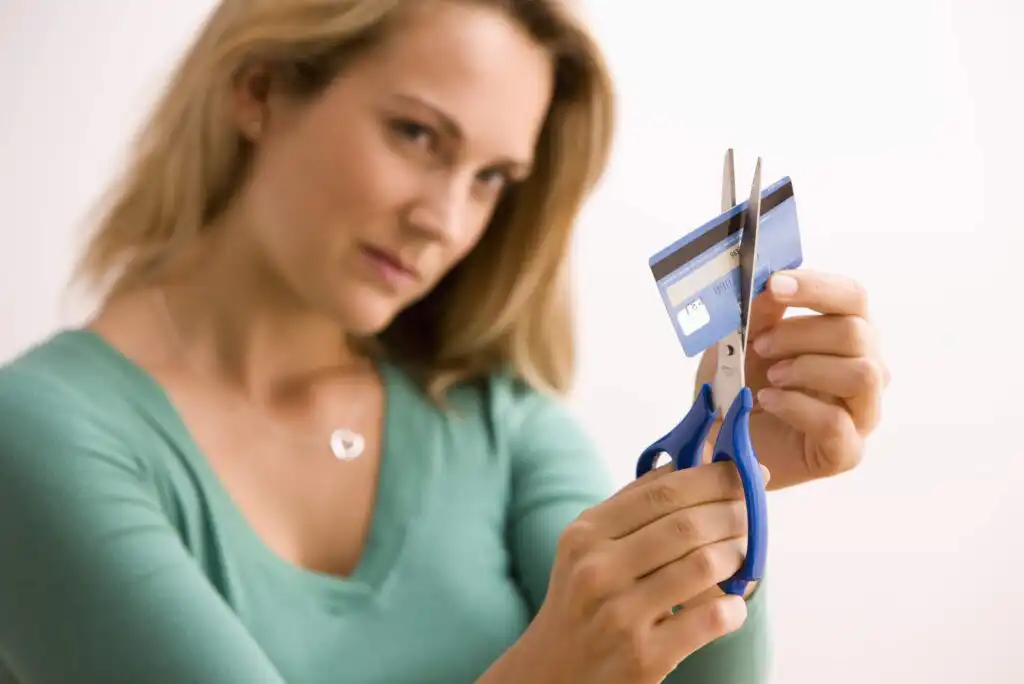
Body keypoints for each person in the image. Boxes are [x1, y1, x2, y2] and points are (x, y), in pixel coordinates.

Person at [0, 1, 889, 682]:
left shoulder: (496, 422)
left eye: (492, 177)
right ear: (260, 90)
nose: (446, 220)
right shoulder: (37, 436)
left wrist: (727, 478)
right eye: (417, 135)